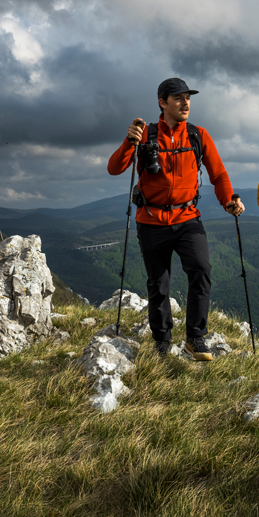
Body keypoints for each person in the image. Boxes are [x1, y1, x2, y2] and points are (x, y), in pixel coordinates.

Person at [107, 77, 244, 360]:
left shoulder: (198, 135)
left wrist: (229, 200)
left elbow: (218, 174)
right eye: (179, 98)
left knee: (201, 269)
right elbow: (115, 168)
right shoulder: (145, 134)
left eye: (188, 98)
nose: (186, 103)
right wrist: (129, 141)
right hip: (151, 220)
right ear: (162, 103)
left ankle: (196, 338)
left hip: (187, 218)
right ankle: (162, 342)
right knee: (158, 283)